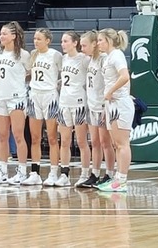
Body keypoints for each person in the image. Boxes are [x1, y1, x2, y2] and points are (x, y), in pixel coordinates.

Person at [0, 21, 30, 185]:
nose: (1, 36)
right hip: (0, 97)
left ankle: (22, 171)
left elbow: (30, 74)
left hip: (16, 98)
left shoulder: (23, 55)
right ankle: (2, 170)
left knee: (18, 135)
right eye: (1, 33)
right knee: (2, 136)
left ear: (14, 36)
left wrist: (21, 87)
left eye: (5, 33)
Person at [96, 28, 132, 193]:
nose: (98, 43)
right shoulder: (107, 57)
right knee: (116, 144)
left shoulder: (117, 55)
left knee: (122, 143)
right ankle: (117, 179)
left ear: (109, 40)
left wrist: (111, 91)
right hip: (112, 104)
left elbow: (125, 76)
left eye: (100, 40)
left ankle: (122, 180)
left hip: (119, 103)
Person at [25, 28, 62, 186]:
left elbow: (64, 74)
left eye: (39, 39)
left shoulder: (55, 55)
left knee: (52, 137)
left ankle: (53, 173)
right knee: (35, 137)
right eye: (34, 38)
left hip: (50, 96)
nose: (35, 41)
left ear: (48, 40)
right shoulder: (33, 54)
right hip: (34, 96)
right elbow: (29, 74)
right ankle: (35, 172)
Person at [80, 31, 115, 187]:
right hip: (91, 105)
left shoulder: (103, 60)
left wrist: (105, 106)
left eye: (84, 45)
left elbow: (109, 84)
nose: (82, 48)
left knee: (105, 142)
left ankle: (110, 173)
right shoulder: (90, 61)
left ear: (94, 44)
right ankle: (94, 173)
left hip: (102, 106)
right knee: (94, 142)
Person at [56, 31, 91, 187]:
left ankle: (85, 173)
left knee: (81, 142)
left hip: (79, 103)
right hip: (64, 103)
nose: (62, 44)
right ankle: (64, 174)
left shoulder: (84, 60)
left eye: (65, 41)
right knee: (64, 141)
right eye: (62, 41)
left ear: (75, 43)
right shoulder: (63, 59)